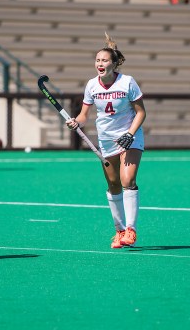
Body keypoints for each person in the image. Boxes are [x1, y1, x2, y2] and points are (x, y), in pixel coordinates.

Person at [65, 34, 146, 249]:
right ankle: (119, 231)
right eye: (97, 60)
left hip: (130, 136)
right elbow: (84, 115)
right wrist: (77, 122)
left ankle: (131, 230)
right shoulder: (92, 85)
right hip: (106, 140)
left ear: (114, 63)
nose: (100, 64)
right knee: (113, 185)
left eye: (104, 60)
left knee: (128, 180)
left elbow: (141, 112)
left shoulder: (128, 82)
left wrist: (130, 134)